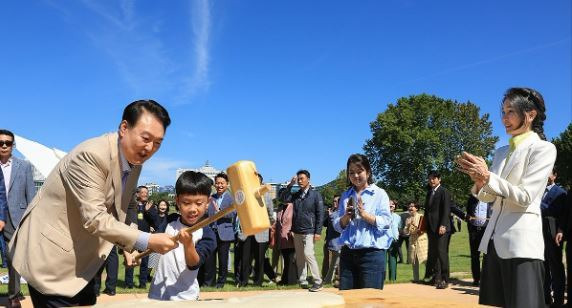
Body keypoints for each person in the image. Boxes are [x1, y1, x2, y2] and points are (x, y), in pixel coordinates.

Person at [9, 100, 179, 307]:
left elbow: (124, 207)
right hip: (50, 257)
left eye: (158, 143)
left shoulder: (134, 164)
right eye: (146, 138)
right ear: (124, 128)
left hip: (84, 259)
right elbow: (95, 218)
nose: (150, 148)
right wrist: (146, 240)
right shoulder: (91, 155)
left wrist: (128, 245)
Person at [456, 87, 555, 308]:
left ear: (530, 115)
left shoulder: (544, 149)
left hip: (522, 245)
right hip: (494, 242)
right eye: (503, 111)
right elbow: (491, 197)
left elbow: (526, 196)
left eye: (510, 111)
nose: (504, 118)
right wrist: (480, 181)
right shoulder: (501, 152)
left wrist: (488, 176)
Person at [148, 171, 217, 300]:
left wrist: (188, 244)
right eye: (186, 203)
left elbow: (193, 264)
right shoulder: (170, 221)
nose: (192, 209)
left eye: (199, 203)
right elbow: (153, 240)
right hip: (157, 293)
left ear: (208, 202)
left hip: (186, 298)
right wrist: (135, 251)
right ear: (177, 201)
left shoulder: (207, 233)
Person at [333, 154, 392, 290]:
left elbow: (386, 222)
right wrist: (346, 217)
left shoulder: (379, 194)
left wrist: (365, 215)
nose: (355, 176)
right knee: (348, 300)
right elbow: (337, 225)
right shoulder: (345, 195)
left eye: (359, 172)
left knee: (369, 301)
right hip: (348, 255)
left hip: (371, 256)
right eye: (351, 173)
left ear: (368, 172)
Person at [0, 129, 36, 307]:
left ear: (13, 146)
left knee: (13, 258)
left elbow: (31, 196)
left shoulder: (24, 166)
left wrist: (31, 221)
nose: (4, 146)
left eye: (8, 143)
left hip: (16, 219)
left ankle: (14, 296)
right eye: (1, 143)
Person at [279, 170, 324, 291]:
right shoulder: (296, 194)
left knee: (308, 254)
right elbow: (283, 198)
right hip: (297, 230)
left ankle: (318, 281)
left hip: (310, 230)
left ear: (308, 179)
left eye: (302, 179)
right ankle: (302, 279)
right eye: (298, 179)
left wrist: (318, 232)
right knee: (299, 257)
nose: (299, 181)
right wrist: (289, 186)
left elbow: (320, 214)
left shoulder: (316, 195)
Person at [200, 172, 235, 288]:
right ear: (214, 184)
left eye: (222, 183)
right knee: (210, 259)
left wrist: (220, 212)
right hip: (211, 232)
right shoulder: (211, 198)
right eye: (217, 183)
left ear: (227, 184)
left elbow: (233, 214)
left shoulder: (231, 198)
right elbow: (207, 214)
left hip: (225, 233)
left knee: (223, 260)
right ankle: (209, 282)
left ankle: (221, 283)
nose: (219, 185)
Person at [540, 168, 567, 307]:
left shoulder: (561, 193)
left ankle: (558, 300)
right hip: (538, 234)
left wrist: (560, 230)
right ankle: (545, 298)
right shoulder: (538, 191)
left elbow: (564, 215)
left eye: (549, 172)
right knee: (543, 267)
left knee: (555, 267)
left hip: (553, 232)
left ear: (555, 176)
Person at [423, 171, 452, 289]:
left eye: (434, 178)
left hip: (442, 227)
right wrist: (424, 226)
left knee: (441, 252)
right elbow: (427, 211)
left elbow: (446, 209)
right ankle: (436, 277)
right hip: (431, 228)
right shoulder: (429, 192)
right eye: (430, 178)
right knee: (433, 253)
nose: (431, 180)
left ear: (439, 179)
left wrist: (443, 225)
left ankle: (445, 279)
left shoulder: (444, 191)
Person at [125, 185, 155, 289]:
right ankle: (128, 284)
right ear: (137, 194)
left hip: (145, 237)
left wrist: (148, 211)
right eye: (143, 192)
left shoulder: (150, 206)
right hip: (133, 236)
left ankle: (142, 284)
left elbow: (154, 221)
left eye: (147, 193)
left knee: (144, 262)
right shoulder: (132, 206)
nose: (145, 194)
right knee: (131, 260)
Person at [464, 195, 491, 286]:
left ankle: (486, 278)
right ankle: (476, 279)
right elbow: (468, 213)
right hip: (474, 230)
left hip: (486, 230)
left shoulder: (491, 199)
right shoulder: (472, 198)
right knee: (474, 255)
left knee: (486, 255)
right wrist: (468, 219)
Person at [403, 202, 428, 282]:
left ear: (416, 208)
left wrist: (415, 228)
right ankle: (416, 279)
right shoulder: (408, 219)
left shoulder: (421, 217)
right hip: (412, 242)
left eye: (412, 206)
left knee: (425, 260)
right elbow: (406, 232)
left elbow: (423, 230)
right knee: (414, 261)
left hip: (421, 241)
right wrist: (408, 227)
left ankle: (429, 277)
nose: (410, 208)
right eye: (409, 206)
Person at [275, 200, 297, 285]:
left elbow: (296, 220)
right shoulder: (280, 208)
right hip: (281, 239)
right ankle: (285, 279)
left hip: (290, 237)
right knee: (286, 260)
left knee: (290, 259)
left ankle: (291, 281)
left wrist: (293, 231)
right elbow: (278, 224)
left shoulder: (293, 207)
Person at [321, 195, 341, 285]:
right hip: (328, 240)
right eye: (333, 201)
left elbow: (337, 227)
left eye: (336, 201)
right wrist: (327, 215)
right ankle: (326, 278)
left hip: (337, 242)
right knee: (327, 261)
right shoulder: (331, 212)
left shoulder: (341, 213)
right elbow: (324, 224)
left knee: (336, 263)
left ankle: (336, 279)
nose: (334, 203)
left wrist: (331, 216)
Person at [386, 200, 401, 282]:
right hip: (383, 241)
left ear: (395, 206)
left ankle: (392, 279)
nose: (391, 205)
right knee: (382, 261)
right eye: (389, 204)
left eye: (393, 204)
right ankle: (382, 279)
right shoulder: (381, 215)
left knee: (393, 260)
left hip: (394, 241)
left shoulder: (398, 217)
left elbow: (399, 228)